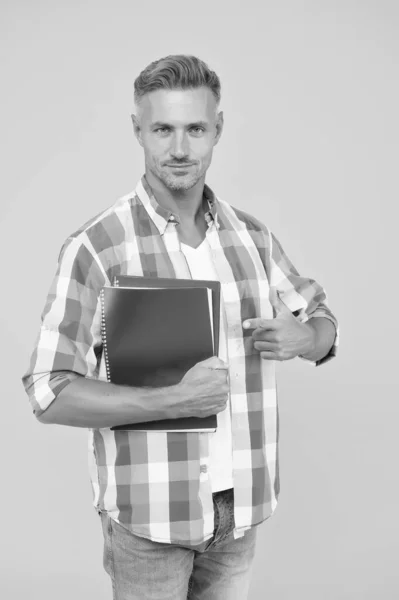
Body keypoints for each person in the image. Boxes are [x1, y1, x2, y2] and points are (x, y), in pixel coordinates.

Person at [22, 54, 339, 600]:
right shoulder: (98, 247)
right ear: (137, 131)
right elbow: (49, 393)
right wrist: (175, 400)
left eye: (195, 128)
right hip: (150, 519)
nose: (179, 148)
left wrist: (306, 339)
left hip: (239, 510)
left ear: (218, 129)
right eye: (162, 129)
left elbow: (322, 321)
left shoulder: (252, 238)